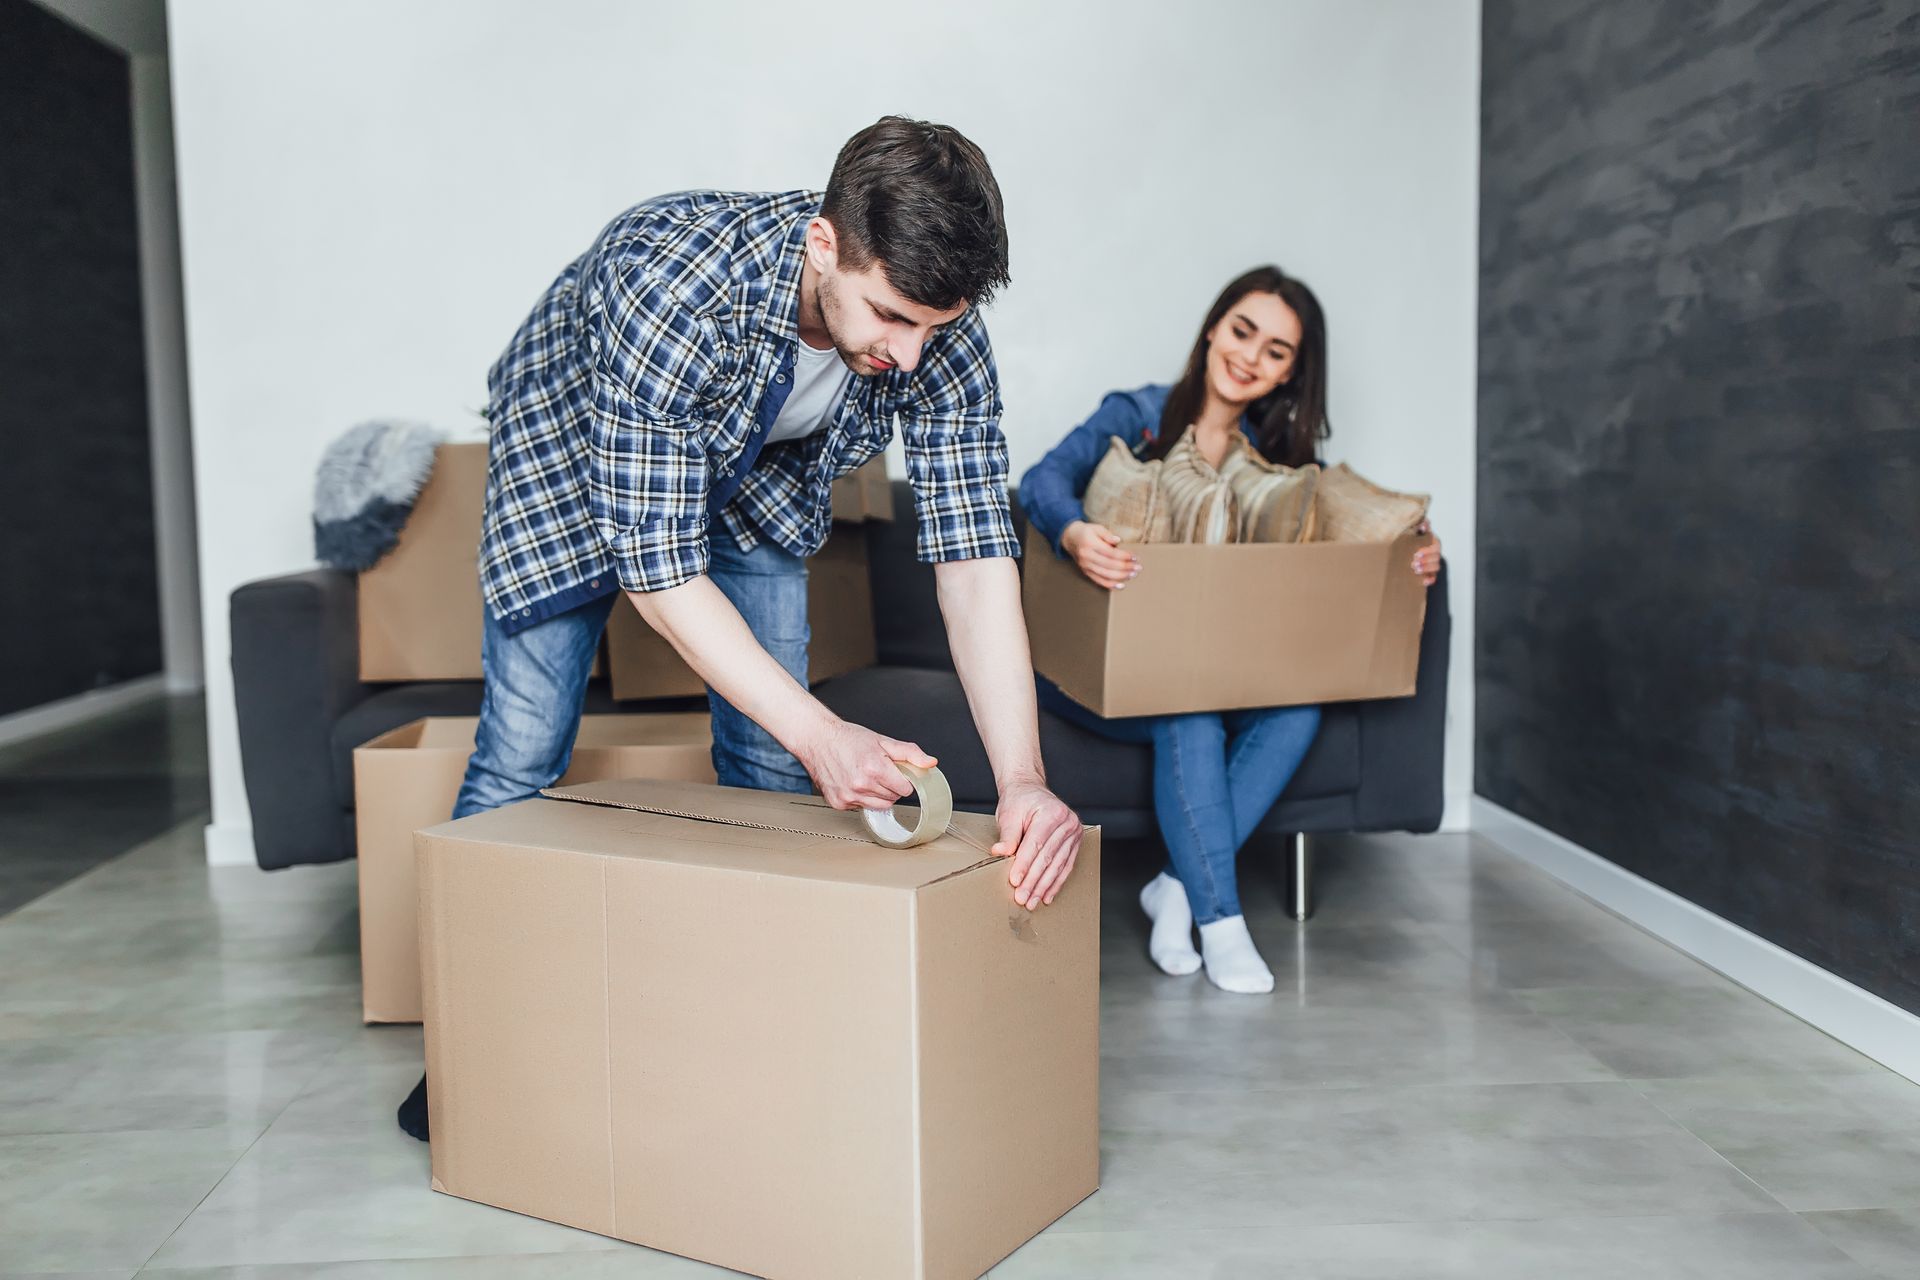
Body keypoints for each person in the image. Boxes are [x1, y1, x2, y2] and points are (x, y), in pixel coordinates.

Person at [398, 117, 1082, 1140]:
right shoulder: (669, 283)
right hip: (573, 443)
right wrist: (824, 732)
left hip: (756, 465)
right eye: (891, 317)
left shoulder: (932, 323)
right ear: (822, 245)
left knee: (769, 760)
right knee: (524, 746)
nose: (910, 354)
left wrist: (1022, 773)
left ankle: (749, 1028)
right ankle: (463, 1041)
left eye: (935, 327)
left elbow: (976, 559)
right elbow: (658, 566)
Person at [1019, 266, 1441, 994]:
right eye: (1243, 331)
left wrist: (1414, 552)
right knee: (1191, 706)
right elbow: (1040, 481)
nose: (1250, 356)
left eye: (1276, 351)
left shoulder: (1280, 461)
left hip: (1204, 671)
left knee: (1294, 706)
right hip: (1098, 671)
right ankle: (1220, 919)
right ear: (1213, 326)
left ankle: (1176, 890)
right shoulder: (1138, 414)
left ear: (1291, 373)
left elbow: (1347, 527)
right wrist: (1076, 532)